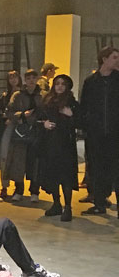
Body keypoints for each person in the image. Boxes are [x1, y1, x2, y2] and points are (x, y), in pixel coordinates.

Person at [79, 46, 119, 216]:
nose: (117, 60)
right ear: (104, 59)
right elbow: (84, 107)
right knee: (97, 169)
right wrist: (87, 126)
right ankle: (99, 203)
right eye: (115, 57)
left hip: (116, 133)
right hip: (96, 134)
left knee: (116, 169)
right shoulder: (91, 82)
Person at [37, 74, 81, 221]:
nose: (60, 86)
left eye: (63, 84)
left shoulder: (72, 103)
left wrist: (71, 115)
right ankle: (56, 203)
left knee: (66, 176)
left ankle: (67, 207)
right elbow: (39, 117)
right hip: (50, 143)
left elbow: (81, 123)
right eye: (57, 84)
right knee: (52, 175)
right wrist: (44, 124)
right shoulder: (48, 101)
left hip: (65, 144)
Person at [4, 69, 46, 202]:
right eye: (29, 78)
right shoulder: (17, 95)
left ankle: (35, 191)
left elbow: (47, 111)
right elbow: (9, 111)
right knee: (19, 161)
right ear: (25, 80)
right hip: (20, 132)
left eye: (34, 78)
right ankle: (19, 189)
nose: (31, 80)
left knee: (35, 162)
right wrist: (21, 116)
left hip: (37, 132)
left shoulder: (43, 95)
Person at [0, 70, 22, 199]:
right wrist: (5, 117)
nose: (13, 80)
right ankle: (4, 186)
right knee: (4, 156)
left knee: (17, 158)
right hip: (5, 128)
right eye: (10, 77)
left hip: (19, 130)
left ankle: (18, 187)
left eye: (15, 77)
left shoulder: (23, 95)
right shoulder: (5, 96)